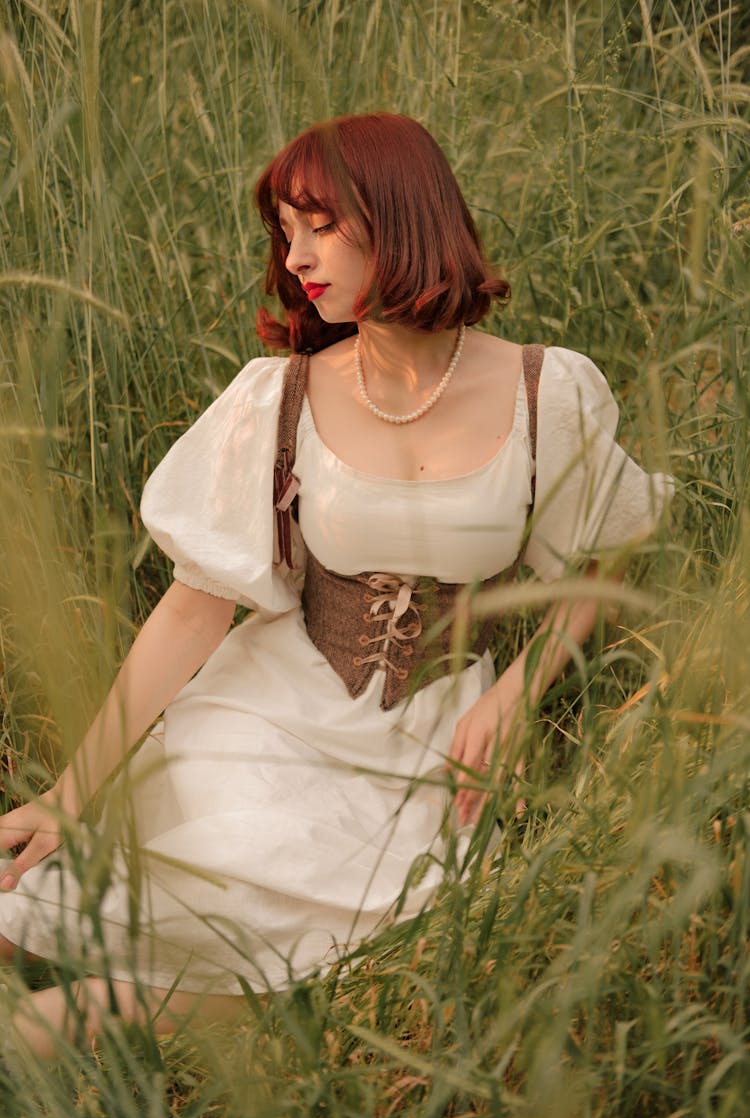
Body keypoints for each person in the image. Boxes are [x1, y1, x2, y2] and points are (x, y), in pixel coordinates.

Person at [0, 114, 672, 1057]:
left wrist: (523, 685)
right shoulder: (278, 397)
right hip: (269, 708)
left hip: (428, 749)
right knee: (93, 876)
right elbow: (195, 605)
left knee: (313, 983)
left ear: (397, 215)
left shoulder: (546, 393)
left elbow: (606, 559)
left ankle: (61, 1024)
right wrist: (69, 790)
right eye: (284, 229)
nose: (295, 255)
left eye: (318, 224)